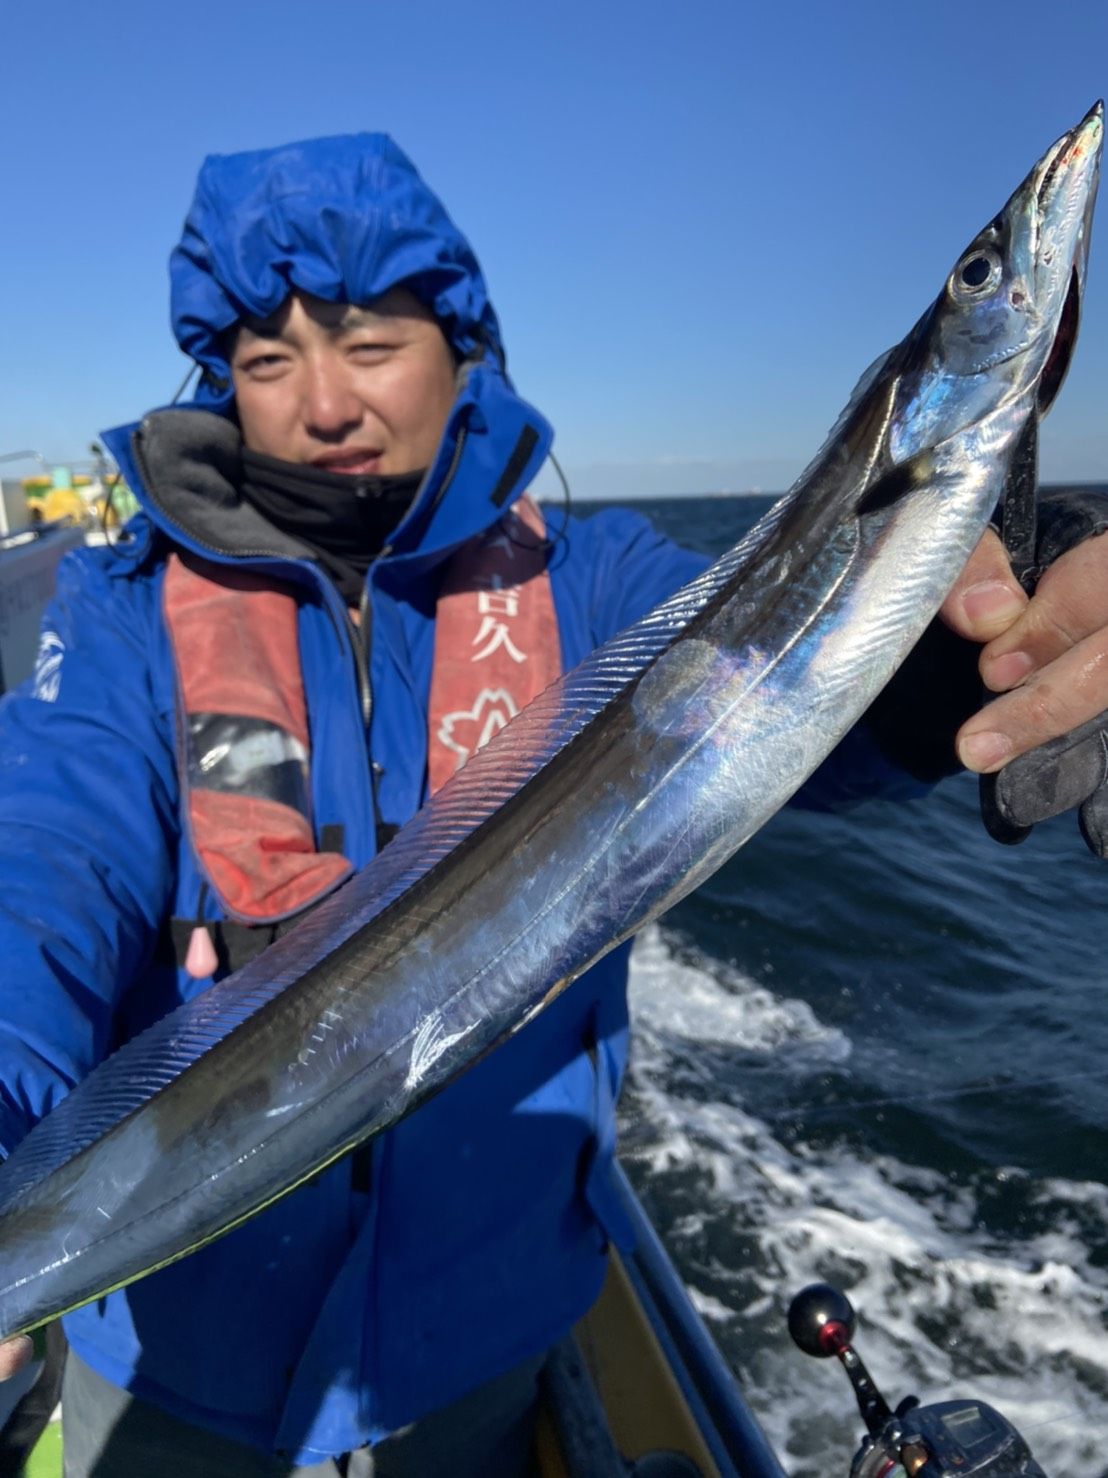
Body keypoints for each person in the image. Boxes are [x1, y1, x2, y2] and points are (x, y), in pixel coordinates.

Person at [0, 132, 1105, 1476]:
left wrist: (987, 639)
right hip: (172, 1368)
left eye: (369, 341)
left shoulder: (597, 584)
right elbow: (37, 866)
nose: (324, 402)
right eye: (268, 359)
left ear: (461, 344)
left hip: (476, 1358)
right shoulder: (122, 615)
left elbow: (798, 687)